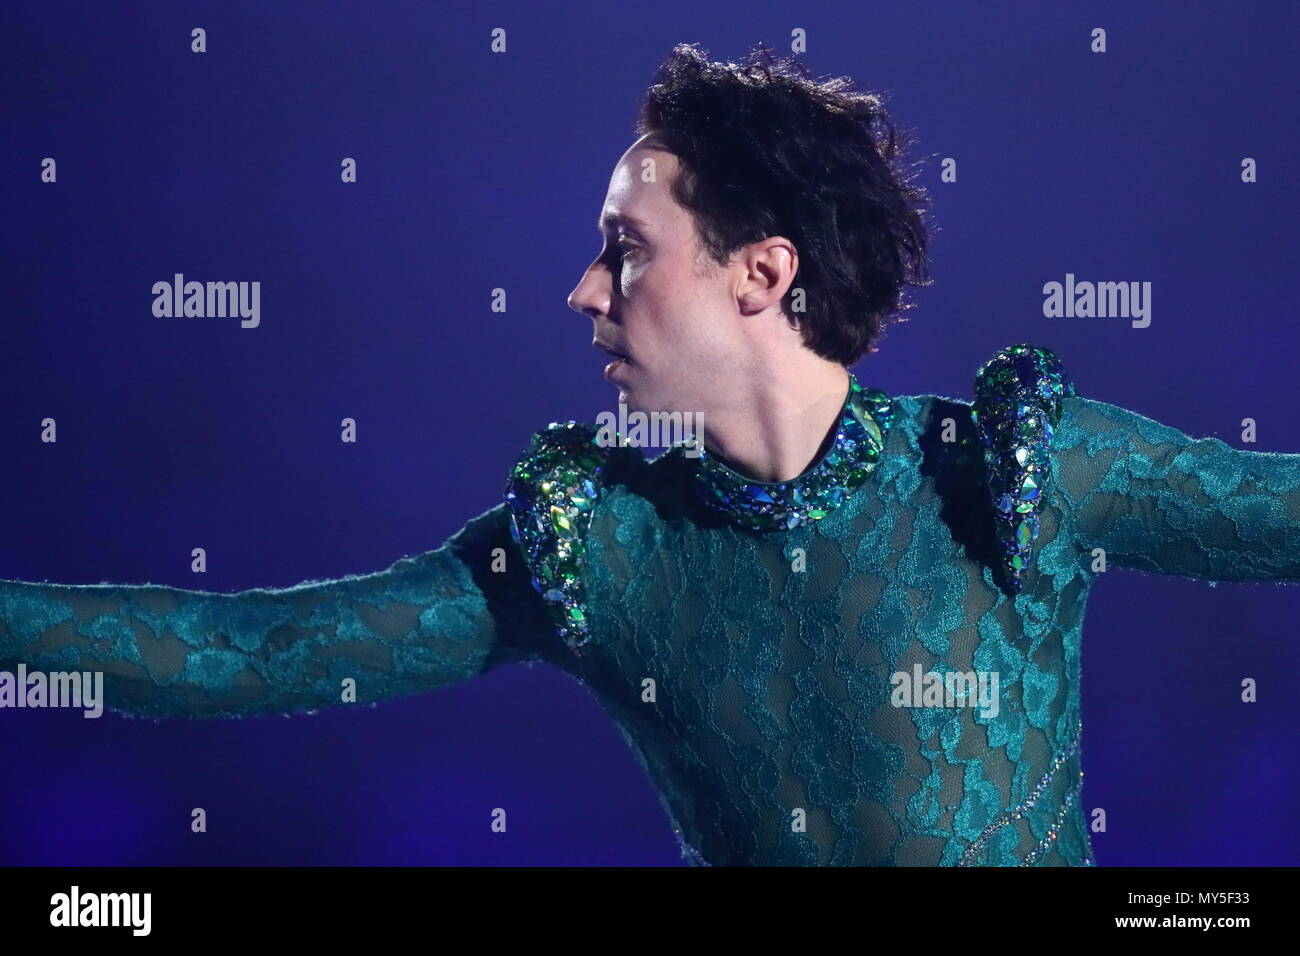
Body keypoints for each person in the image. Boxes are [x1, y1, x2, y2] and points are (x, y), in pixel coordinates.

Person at [4, 42, 1299, 866]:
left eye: (625, 249)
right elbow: (252, 651)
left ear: (762, 274)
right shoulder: (597, 543)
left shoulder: (1015, 476)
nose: (580, 290)